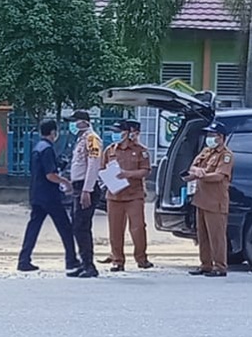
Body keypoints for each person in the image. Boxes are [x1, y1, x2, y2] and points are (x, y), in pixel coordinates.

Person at [17, 119, 78, 273]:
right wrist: (66, 182)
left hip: (36, 194)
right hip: (50, 195)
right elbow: (50, 174)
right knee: (65, 227)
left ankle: (24, 260)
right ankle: (71, 260)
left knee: (34, 227)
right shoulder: (48, 149)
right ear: (53, 133)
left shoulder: (38, 147)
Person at [100, 119, 154, 272]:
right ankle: (118, 260)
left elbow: (146, 171)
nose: (115, 135)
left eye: (119, 132)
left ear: (127, 133)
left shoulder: (140, 150)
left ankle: (141, 258)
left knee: (137, 228)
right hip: (114, 195)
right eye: (114, 132)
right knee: (115, 229)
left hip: (134, 195)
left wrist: (127, 174)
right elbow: (102, 168)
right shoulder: (109, 150)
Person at [184, 121, 235, 277]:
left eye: (212, 135)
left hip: (215, 201)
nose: (209, 138)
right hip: (201, 199)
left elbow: (219, 176)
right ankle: (205, 264)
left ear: (221, 137)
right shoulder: (206, 151)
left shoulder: (226, 155)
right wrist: (196, 171)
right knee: (203, 235)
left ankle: (220, 266)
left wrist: (202, 175)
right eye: (209, 135)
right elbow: (192, 166)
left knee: (216, 236)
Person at [65, 110, 103, 278]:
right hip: (79, 186)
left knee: (82, 226)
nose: (73, 124)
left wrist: (87, 189)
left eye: (75, 121)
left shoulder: (92, 139)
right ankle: (84, 262)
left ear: (85, 122)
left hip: (87, 187)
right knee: (77, 226)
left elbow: (93, 164)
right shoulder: (81, 139)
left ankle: (89, 266)